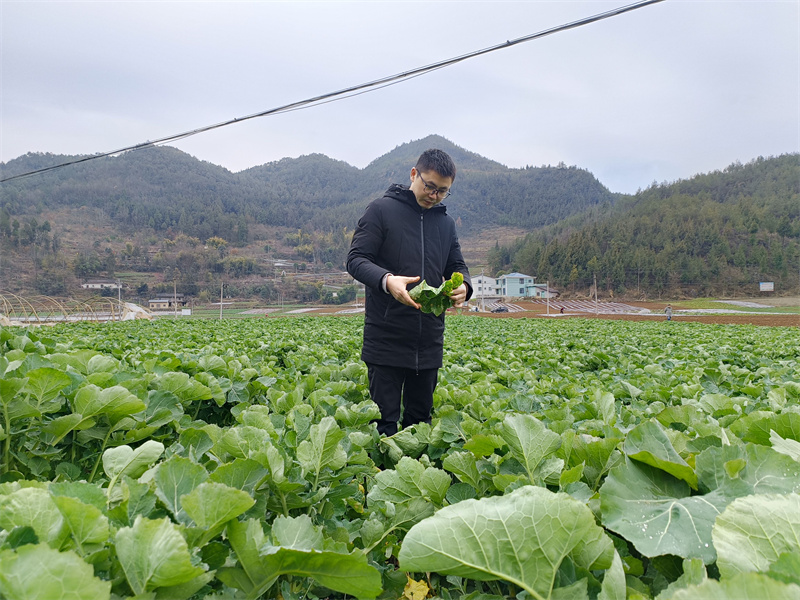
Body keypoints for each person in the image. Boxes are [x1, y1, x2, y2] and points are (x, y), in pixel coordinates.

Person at [347, 149, 472, 436]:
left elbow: (458, 265)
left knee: (420, 426)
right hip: (386, 338)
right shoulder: (381, 210)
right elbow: (356, 260)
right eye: (430, 186)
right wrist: (387, 280)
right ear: (414, 175)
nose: (435, 195)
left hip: (428, 341)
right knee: (384, 426)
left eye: (443, 191)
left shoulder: (445, 224)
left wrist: (465, 286)